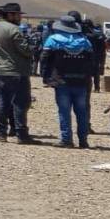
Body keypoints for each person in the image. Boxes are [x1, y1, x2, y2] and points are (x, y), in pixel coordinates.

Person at [40, 15, 94, 148]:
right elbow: (92, 62)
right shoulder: (85, 41)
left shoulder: (53, 40)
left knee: (64, 111)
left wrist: (46, 77)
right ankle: (83, 140)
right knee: (82, 111)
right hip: (81, 81)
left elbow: (44, 59)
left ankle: (66, 139)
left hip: (61, 80)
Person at [0, 3, 35, 144]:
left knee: (3, 103)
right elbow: (25, 50)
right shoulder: (14, 30)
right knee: (21, 103)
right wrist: (32, 47)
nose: (20, 18)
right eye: (18, 15)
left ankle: (1, 133)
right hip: (17, 71)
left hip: (1, 71)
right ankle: (21, 134)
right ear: (10, 15)